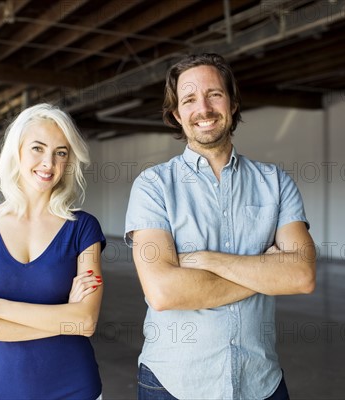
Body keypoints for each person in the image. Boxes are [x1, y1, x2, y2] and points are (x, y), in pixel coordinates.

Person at [125, 53, 316, 399]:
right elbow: (164, 292)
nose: (204, 108)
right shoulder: (152, 186)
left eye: (214, 94)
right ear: (176, 114)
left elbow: (301, 276)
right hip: (174, 383)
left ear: (233, 103)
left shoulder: (275, 182)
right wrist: (265, 273)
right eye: (189, 99)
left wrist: (207, 260)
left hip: (261, 381)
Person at [0, 103, 105, 400]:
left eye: (61, 152)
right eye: (37, 148)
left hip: (75, 389)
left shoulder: (83, 229)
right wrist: (62, 320)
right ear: (16, 151)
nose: (49, 163)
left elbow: (85, 322)